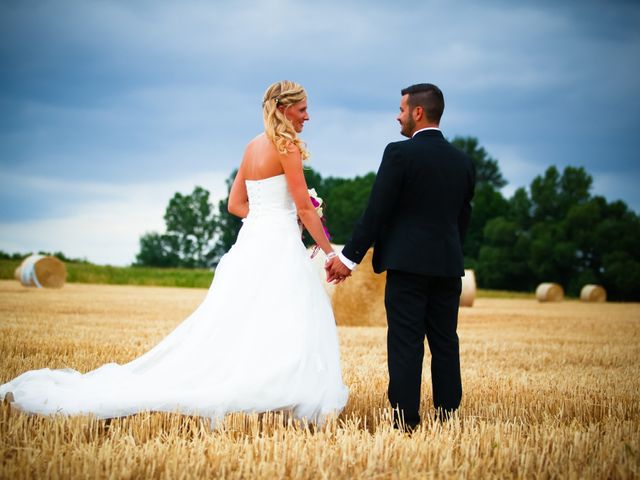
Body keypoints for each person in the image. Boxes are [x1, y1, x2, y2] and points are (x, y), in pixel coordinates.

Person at [0, 80, 348, 426]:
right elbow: (303, 207)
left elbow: (235, 204)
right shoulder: (285, 146)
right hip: (277, 247)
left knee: (243, 320)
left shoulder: (252, 147)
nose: (308, 116)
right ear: (285, 109)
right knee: (283, 320)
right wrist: (328, 250)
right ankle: (278, 394)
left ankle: (265, 392)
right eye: (303, 109)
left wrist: (269, 217)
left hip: (251, 243)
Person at [326, 83, 475, 430]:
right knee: (445, 341)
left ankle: (405, 420)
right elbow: (461, 219)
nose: (398, 115)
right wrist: (450, 252)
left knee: (406, 342)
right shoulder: (463, 162)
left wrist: (348, 259)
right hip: (448, 266)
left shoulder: (398, 154)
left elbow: (376, 211)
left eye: (401, 109)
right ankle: (448, 416)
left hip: (407, 266)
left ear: (417, 112)